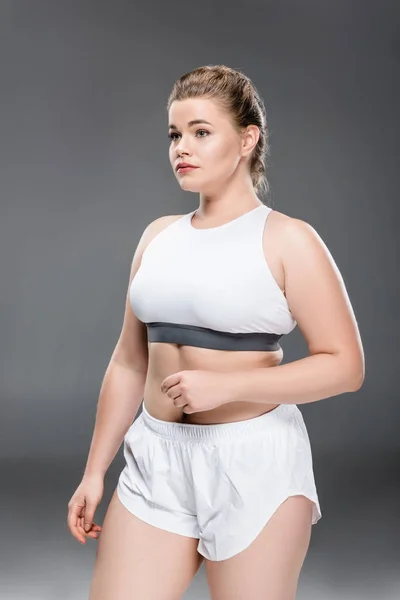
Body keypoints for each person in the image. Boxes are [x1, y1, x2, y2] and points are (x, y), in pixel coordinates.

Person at [67, 64, 365, 600]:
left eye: (202, 132)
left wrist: (230, 387)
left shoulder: (287, 240)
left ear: (247, 139)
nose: (182, 147)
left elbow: (345, 365)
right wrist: (94, 472)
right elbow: (130, 362)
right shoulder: (157, 237)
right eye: (175, 134)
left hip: (254, 466)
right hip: (155, 458)